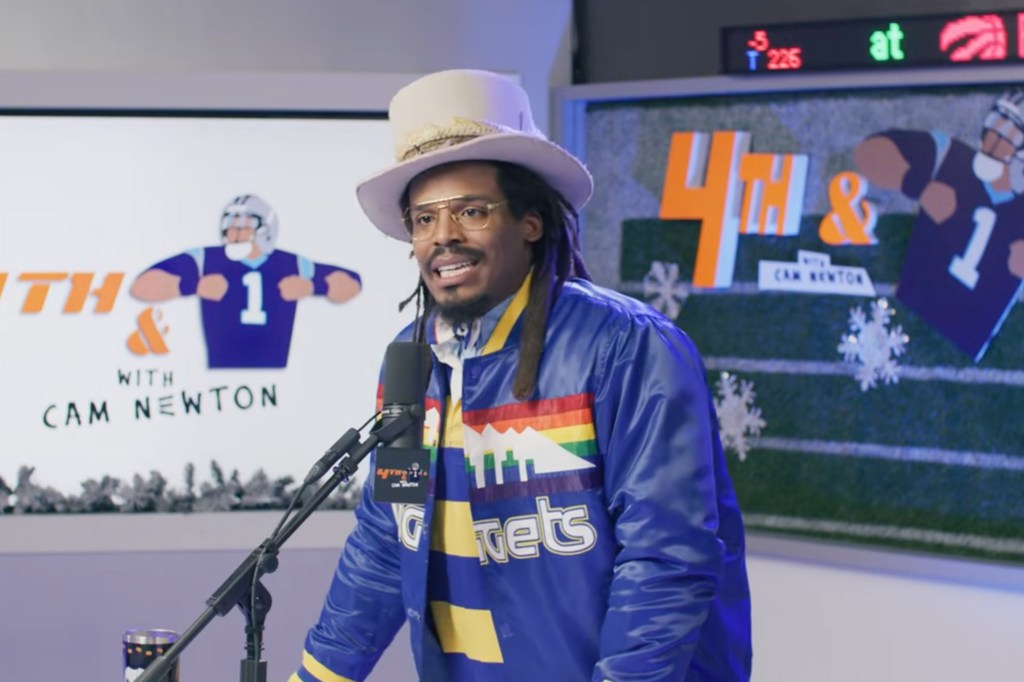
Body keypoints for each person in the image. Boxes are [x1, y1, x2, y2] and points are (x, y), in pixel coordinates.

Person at [291, 69, 751, 682]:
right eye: (424, 219)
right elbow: (386, 539)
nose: (444, 237)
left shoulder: (626, 346)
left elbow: (665, 561)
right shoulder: (411, 362)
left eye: (471, 211)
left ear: (531, 222)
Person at [854, 90, 1024, 361]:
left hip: (967, 341)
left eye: (1009, 137)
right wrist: (917, 184)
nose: (994, 141)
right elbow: (869, 152)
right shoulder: (950, 156)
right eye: (997, 124)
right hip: (909, 307)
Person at [130, 194, 361, 368]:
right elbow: (142, 286)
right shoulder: (206, 259)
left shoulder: (289, 264)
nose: (235, 234)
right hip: (219, 372)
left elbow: (352, 283)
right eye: (230, 227)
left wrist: (315, 286)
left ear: (265, 229)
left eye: (243, 227)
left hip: (277, 373)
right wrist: (192, 285)